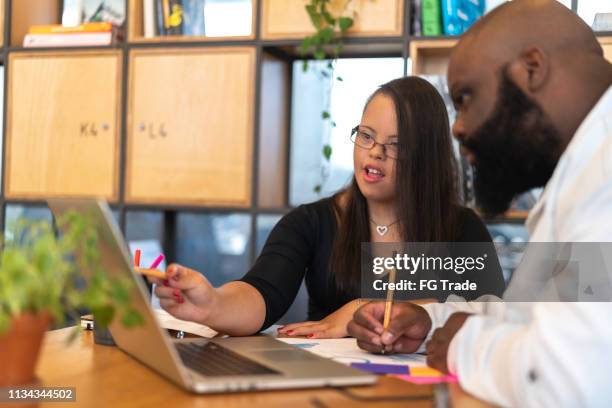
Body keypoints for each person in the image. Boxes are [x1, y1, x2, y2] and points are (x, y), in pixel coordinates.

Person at [347, 1, 612, 406]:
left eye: (466, 97)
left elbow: (567, 380)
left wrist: (463, 345)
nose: (458, 128)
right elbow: (531, 315)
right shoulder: (586, 169)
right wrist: (433, 323)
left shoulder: (603, 174)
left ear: (532, 70)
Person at [148, 76, 505, 338]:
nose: (374, 153)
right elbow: (261, 293)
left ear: (427, 158)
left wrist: (361, 308)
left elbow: (492, 317)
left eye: (395, 145)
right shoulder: (311, 222)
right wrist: (211, 304)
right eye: (366, 136)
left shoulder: (462, 228)